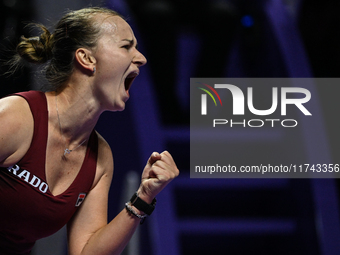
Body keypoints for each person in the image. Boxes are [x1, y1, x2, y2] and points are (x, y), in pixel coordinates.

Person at [0, 7, 179, 255]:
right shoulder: (15, 117)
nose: (141, 58)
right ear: (86, 58)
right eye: (126, 46)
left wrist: (143, 198)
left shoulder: (100, 159)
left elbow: (86, 251)